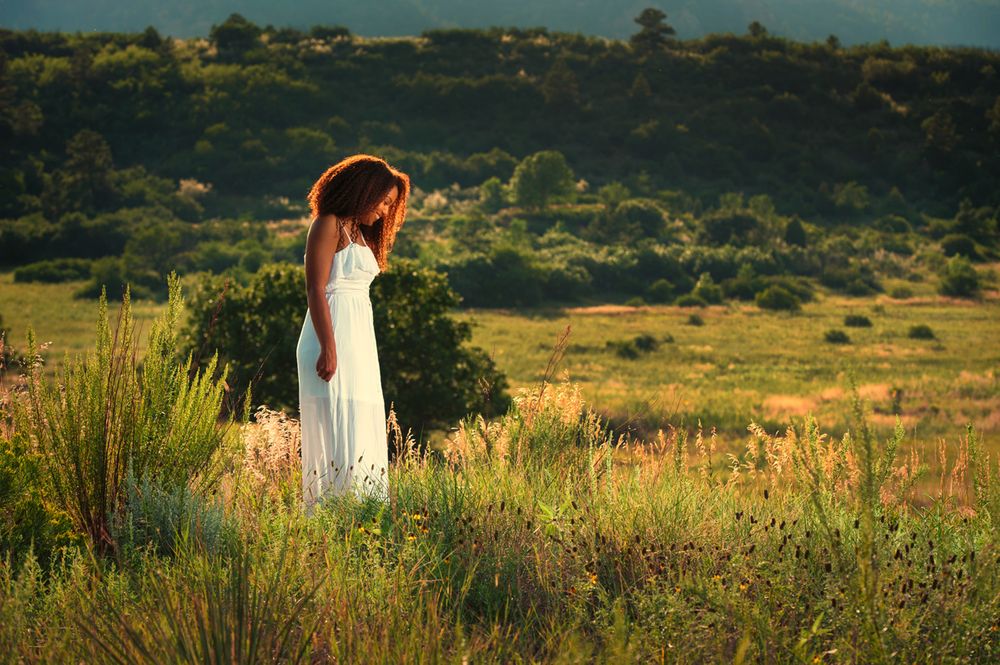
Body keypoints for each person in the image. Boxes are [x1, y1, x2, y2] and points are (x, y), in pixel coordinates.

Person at [296, 154, 410, 512]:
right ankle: (331, 518)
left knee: (362, 422)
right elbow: (316, 288)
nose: (386, 211)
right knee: (338, 429)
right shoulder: (327, 224)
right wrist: (329, 349)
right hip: (330, 336)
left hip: (359, 339)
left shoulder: (360, 233)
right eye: (384, 201)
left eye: (391, 204)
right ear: (363, 190)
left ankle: (364, 516)